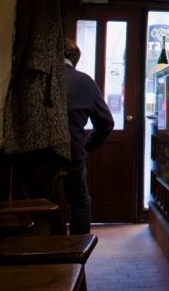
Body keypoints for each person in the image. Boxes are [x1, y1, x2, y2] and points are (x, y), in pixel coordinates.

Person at [63, 38, 114, 234]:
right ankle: (78, 253)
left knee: (41, 202)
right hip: (71, 155)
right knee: (80, 202)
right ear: (75, 60)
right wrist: (87, 147)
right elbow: (106, 123)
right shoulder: (84, 81)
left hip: (36, 158)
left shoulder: (40, 79)